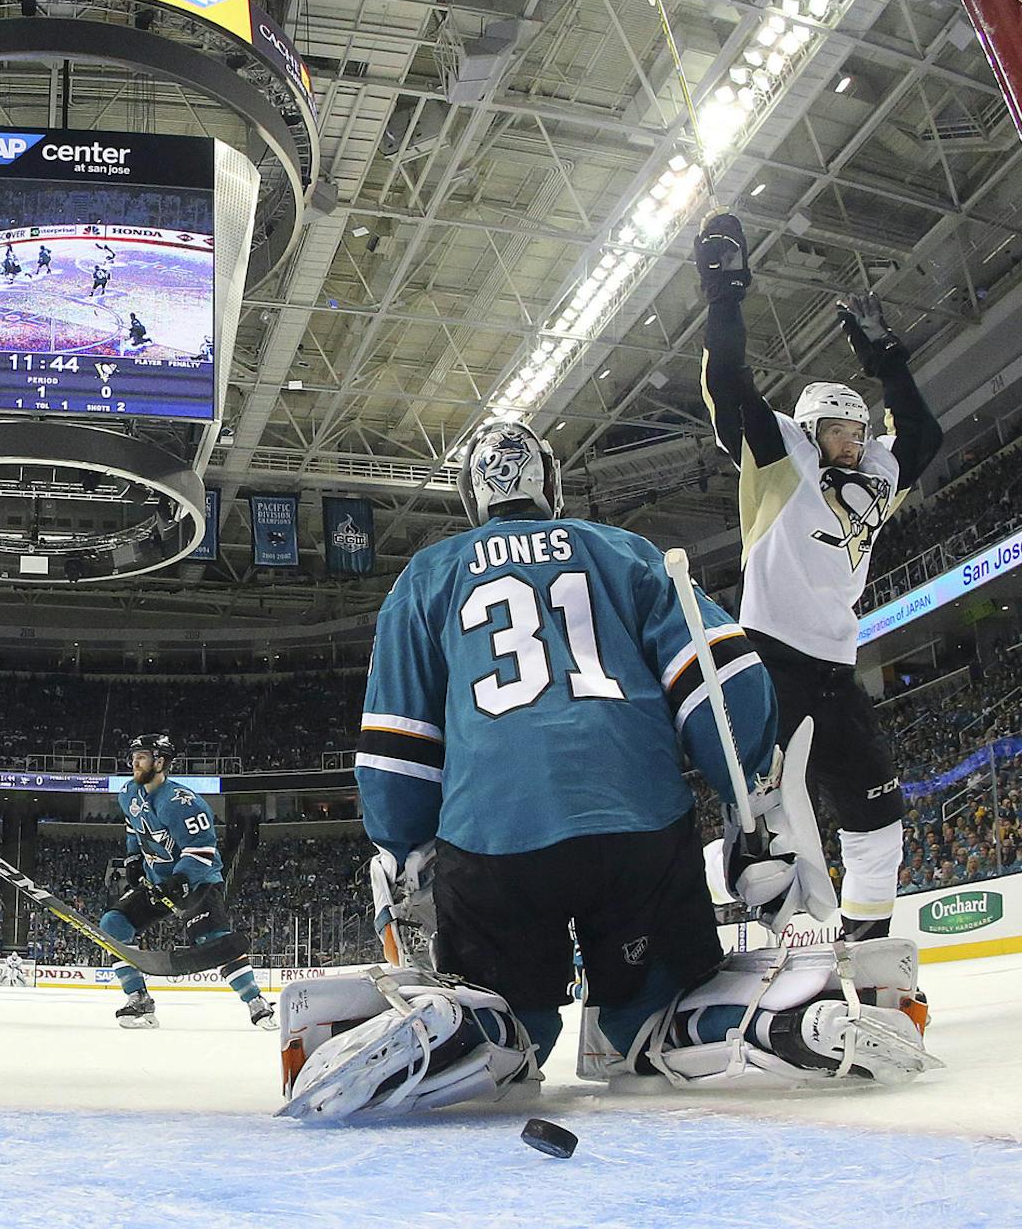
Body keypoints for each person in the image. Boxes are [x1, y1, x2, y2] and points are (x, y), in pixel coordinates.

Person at [280, 420, 933, 1122]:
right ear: (552, 487)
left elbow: (395, 749)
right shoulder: (623, 550)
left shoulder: (427, 576)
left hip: (495, 834)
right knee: (654, 1009)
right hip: (639, 824)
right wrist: (750, 800)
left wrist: (406, 850)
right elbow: (730, 675)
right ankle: (776, 1018)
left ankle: (475, 1028)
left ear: (472, 498)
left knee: (517, 1012)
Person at [697, 212, 944, 939]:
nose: (855, 442)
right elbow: (727, 380)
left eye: (861, 431)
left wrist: (890, 363)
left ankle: (867, 944)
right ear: (810, 431)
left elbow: (923, 435)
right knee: (768, 817)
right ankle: (759, 932)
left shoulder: (873, 474)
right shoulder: (782, 456)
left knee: (878, 810)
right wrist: (724, 295)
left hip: (839, 669)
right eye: (840, 431)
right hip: (773, 660)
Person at [99, 734, 272, 1031]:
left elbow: (203, 850)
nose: (133, 762)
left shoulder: (183, 802)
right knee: (113, 925)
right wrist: (132, 860)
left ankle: (256, 1001)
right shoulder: (128, 792)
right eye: (133, 756)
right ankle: (138, 998)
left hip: (197, 882)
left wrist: (182, 879)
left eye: (141, 756)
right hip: (158, 882)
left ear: (160, 761)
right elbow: (133, 828)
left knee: (213, 943)